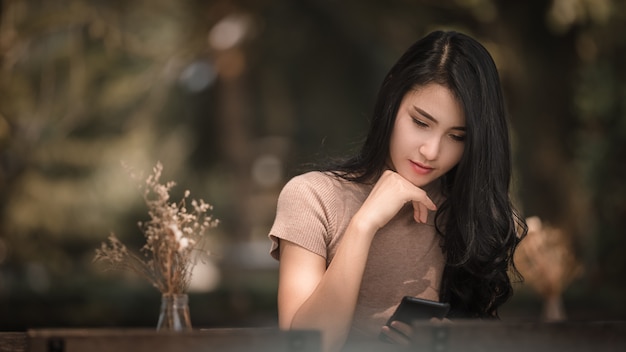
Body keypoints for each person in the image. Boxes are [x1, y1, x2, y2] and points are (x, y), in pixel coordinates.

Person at [268, 30, 527, 352]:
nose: (431, 151)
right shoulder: (313, 197)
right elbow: (305, 345)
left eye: (457, 136)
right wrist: (364, 225)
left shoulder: (468, 217)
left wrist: (450, 341)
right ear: (392, 98)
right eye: (421, 122)